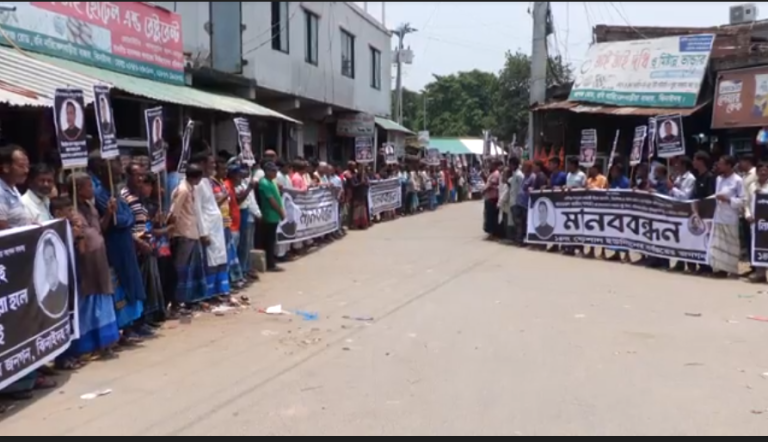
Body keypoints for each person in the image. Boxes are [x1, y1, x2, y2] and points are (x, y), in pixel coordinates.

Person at [58, 175, 120, 366]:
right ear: (77, 188)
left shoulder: (90, 206)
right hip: (84, 263)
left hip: (99, 260)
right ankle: (86, 346)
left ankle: (105, 342)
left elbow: (99, 228)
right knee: (87, 303)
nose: (92, 189)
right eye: (88, 186)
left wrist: (109, 213)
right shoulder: (72, 211)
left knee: (102, 299)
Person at [88, 151, 148, 343]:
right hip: (114, 247)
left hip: (125, 244)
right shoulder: (100, 195)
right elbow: (117, 221)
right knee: (120, 286)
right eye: (113, 167)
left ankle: (134, 323)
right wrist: (122, 218)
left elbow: (128, 218)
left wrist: (124, 219)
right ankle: (124, 328)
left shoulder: (115, 192)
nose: (118, 172)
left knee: (132, 282)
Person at [122, 163, 165, 326]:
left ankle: (146, 318)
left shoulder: (140, 198)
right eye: (136, 175)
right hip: (134, 247)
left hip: (146, 246)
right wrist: (138, 241)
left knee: (148, 284)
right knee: (137, 285)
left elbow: (143, 221)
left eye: (142, 175)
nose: (140, 178)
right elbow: (126, 225)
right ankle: (137, 322)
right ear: (128, 176)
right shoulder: (124, 196)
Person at [168, 164, 208, 308]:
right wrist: (169, 230)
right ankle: (176, 301)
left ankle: (187, 298)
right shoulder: (183, 190)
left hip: (191, 232)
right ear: (195, 177)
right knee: (180, 269)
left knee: (189, 268)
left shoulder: (191, 189)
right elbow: (174, 212)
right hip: (183, 233)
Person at [194, 154, 231, 299]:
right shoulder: (198, 184)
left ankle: (219, 290)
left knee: (219, 259)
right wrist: (203, 233)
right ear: (203, 164)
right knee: (210, 261)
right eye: (211, 163)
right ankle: (209, 293)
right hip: (208, 228)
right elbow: (198, 209)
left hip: (217, 226)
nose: (214, 166)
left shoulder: (208, 182)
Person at [710, 155, 745, 279]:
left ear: (729, 165)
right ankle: (720, 269)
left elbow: (743, 200)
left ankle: (731, 269)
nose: (719, 166)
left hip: (730, 216)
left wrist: (728, 199)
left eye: (721, 164)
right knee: (718, 243)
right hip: (719, 214)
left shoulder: (738, 180)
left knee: (730, 243)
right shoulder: (718, 179)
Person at [258, 162, 285, 272]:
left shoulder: (272, 181)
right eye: (273, 171)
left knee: (272, 239)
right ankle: (270, 264)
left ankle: (271, 262)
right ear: (267, 171)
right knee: (269, 241)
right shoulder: (264, 183)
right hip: (269, 214)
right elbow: (271, 200)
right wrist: (280, 212)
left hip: (274, 215)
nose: (275, 172)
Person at [745, 162, 768, 283]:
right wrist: (748, 215)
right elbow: (746, 203)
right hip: (756, 223)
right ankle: (760, 274)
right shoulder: (752, 186)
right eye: (761, 170)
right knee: (758, 247)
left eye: (765, 170)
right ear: (757, 172)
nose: (763, 172)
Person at [483, 160, 502, 238]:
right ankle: (491, 232)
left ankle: (493, 233)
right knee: (488, 215)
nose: (490, 166)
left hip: (493, 197)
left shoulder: (496, 174)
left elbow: (491, 184)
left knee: (491, 216)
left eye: (491, 164)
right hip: (489, 197)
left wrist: (484, 190)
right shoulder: (492, 174)